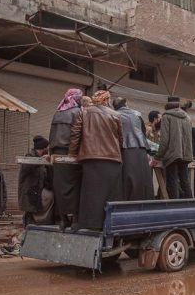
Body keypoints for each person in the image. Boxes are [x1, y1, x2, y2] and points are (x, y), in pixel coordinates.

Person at [69, 90, 123, 231]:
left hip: (90, 157)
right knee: (109, 193)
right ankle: (108, 224)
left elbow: (75, 134)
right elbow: (120, 138)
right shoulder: (115, 115)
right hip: (112, 158)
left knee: (90, 192)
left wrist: (73, 153)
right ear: (106, 100)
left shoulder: (84, 112)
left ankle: (89, 224)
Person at [49, 88, 83, 231]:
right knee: (76, 186)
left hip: (56, 155)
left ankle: (63, 220)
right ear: (76, 98)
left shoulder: (58, 113)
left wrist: (51, 152)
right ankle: (75, 219)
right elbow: (79, 134)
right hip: (71, 154)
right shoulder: (77, 112)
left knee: (60, 187)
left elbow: (51, 135)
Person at [113, 97, 154, 201]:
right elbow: (143, 133)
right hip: (141, 149)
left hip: (124, 149)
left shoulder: (114, 115)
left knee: (126, 180)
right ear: (126, 104)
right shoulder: (137, 114)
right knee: (143, 179)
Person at [155, 96, 194, 199]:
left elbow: (164, 140)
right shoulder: (187, 117)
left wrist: (158, 156)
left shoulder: (166, 117)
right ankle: (191, 205)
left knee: (172, 181)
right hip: (186, 154)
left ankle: (175, 206)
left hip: (172, 154)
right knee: (185, 180)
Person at [18, 136, 53, 227]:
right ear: (43, 148)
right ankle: (26, 233)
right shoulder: (30, 156)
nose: (48, 149)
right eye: (46, 147)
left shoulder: (42, 158)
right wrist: (41, 160)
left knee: (33, 214)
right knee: (29, 215)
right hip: (29, 193)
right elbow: (27, 168)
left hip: (36, 192)